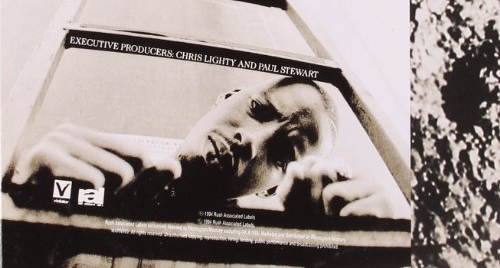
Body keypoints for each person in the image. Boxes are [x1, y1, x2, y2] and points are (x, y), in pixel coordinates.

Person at [6, 77, 408, 219]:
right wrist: (21, 210)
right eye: (257, 110)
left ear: (272, 188)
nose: (250, 141)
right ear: (225, 98)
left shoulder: (259, 251)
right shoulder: (99, 175)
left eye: (282, 157)